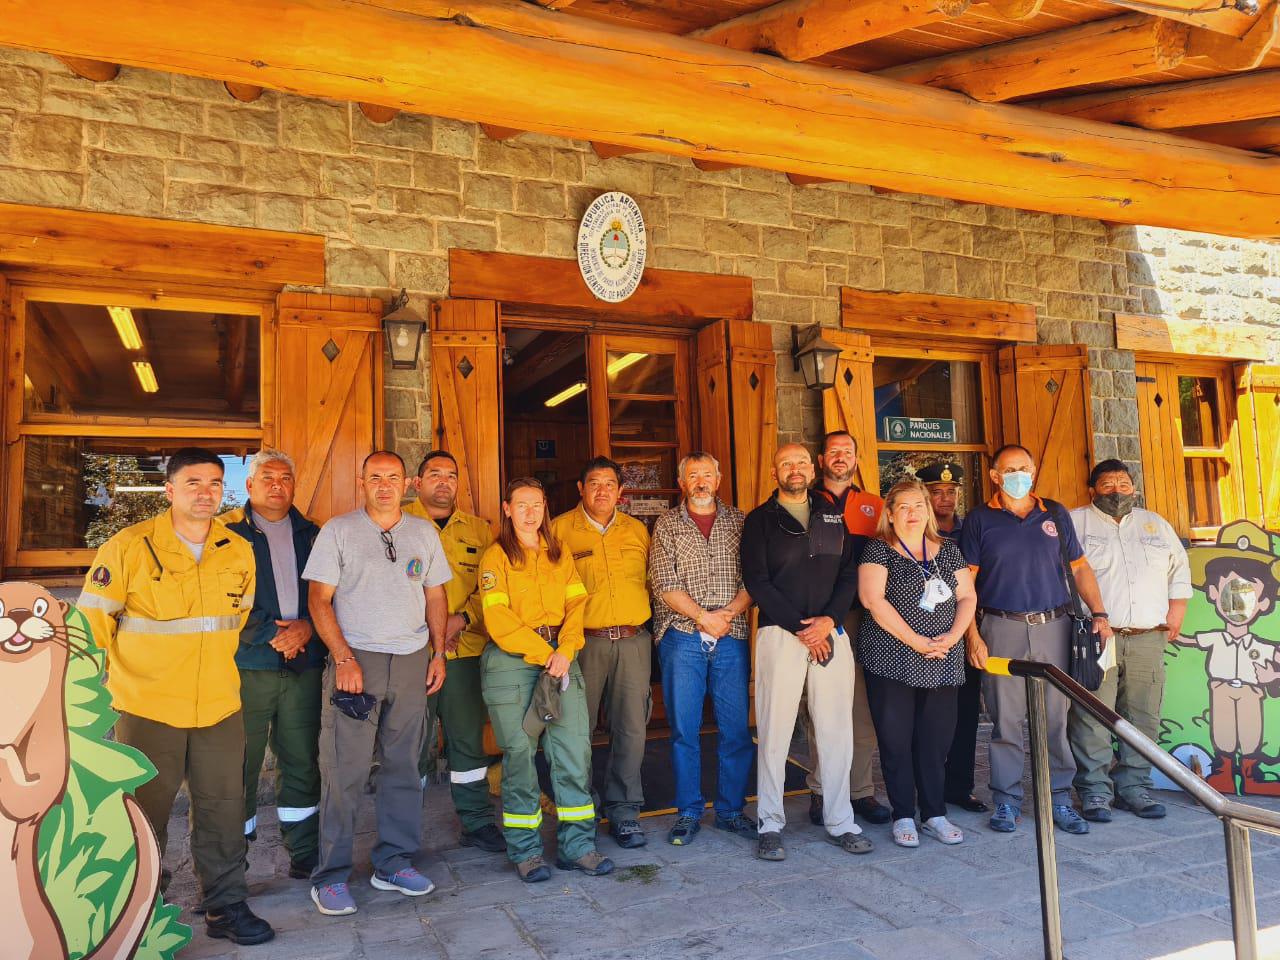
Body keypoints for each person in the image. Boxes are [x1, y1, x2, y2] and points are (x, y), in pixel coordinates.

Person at [78, 447, 273, 945]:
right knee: (143, 813)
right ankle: (137, 911)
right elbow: (90, 630)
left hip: (218, 705)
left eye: (213, 483)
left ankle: (225, 905)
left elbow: (236, 619)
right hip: (146, 707)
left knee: (224, 808)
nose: (205, 493)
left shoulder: (238, 547)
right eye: (193, 483)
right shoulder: (128, 546)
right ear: (169, 490)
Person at [304, 450, 451, 916]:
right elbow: (319, 600)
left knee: (405, 765)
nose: (384, 485)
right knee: (344, 769)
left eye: (392, 477)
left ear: (407, 483)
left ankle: (393, 862)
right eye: (375, 477)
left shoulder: (423, 532)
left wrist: (439, 652)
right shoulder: (339, 531)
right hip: (357, 660)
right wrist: (343, 657)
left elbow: (435, 592)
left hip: (411, 659)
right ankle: (329, 876)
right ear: (361, 481)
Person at [960, 444, 1114, 835]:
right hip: (1001, 627)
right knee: (1005, 720)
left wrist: (1100, 613)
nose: (1017, 475)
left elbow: (1080, 569)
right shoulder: (980, 520)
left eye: (1024, 468)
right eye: (1009, 469)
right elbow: (967, 584)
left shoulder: (1055, 513)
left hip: (1055, 626)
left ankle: (1059, 799)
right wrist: (972, 636)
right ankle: (1007, 801)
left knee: (1055, 718)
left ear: (1033, 471)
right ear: (995, 476)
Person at [479, 477, 614, 882]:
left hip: (561, 656)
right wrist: (547, 655)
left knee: (574, 752)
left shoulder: (560, 553)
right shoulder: (495, 558)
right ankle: (526, 852)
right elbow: (498, 619)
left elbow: (577, 603)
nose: (529, 512)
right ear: (507, 509)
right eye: (521, 505)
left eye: (536, 504)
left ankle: (578, 847)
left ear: (545, 507)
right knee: (520, 757)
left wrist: (567, 650)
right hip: (513, 663)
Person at [741, 443, 870, 862]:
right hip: (782, 633)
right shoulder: (760, 520)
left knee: (835, 730)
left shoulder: (831, 513)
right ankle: (770, 823)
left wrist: (829, 621)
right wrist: (803, 627)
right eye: (785, 463)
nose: (794, 469)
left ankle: (840, 820)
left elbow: (849, 572)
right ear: (774, 470)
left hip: (830, 632)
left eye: (800, 462)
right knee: (775, 732)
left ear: (809, 469)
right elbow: (758, 582)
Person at [1067, 459, 1191, 822]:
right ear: (1093, 489)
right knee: (1091, 714)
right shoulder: (1074, 523)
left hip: (1147, 636)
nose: (1117, 490)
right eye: (1107, 484)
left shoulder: (1156, 525)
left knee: (1143, 714)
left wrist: (1177, 610)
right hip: (1095, 637)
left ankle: (1134, 787)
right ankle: (1094, 792)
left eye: (1123, 483)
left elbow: (1178, 570)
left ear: (1134, 488)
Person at [859, 481, 977, 848]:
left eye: (918, 505)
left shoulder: (948, 551)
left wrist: (954, 637)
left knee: (935, 740)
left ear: (928, 511)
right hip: (892, 658)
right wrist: (918, 642)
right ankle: (903, 815)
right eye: (904, 507)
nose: (912, 513)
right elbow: (872, 600)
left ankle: (934, 813)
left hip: (943, 658)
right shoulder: (879, 550)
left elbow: (968, 596)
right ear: (890, 514)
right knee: (896, 740)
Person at [224, 449, 323, 881]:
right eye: (268, 478)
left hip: (303, 667)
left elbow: (332, 596)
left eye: (285, 478)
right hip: (249, 667)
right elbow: (219, 598)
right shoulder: (225, 533)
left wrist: (307, 628)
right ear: (250, 485)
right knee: (239, 764)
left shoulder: (313, 534)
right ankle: (232, 860)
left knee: (301, 760)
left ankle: (303, 851)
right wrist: (271, 634)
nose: (277, 485)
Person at [648, 452, 755, 847]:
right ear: (682, 482)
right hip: (682, 637)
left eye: (707, 474)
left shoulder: (742, 522)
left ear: (719, 477)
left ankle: (729, 811)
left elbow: (755, 577)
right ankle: (689, 812)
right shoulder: (667, 525)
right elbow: (663, 581)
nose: (700, 481)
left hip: (732, 634)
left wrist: (725, 614)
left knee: (735, 730)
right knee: (683, 730)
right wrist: (703, 618)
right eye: (693, 475)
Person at [550, 456, 653, 849]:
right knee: (578, 730)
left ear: (621, 491)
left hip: (632, 640)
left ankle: (625, 812)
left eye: (610, 484)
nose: (602, 491)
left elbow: (650, 581)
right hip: (582, 644)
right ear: (581, 489)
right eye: (594, 483)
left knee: (632, 728)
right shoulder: (559, 530)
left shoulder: (637, 530)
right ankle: (582, 810)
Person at [405, 450, 504, 853]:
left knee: (467, 742)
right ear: (417, 482)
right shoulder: (398, 524)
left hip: (463, 652)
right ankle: (402, 831)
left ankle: (476, 822)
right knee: (409, 743)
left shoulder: (479, 532)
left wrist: (460, 619)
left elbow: (493, 589)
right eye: (434, 474)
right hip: (411, 653)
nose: (443, 481)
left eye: (451, 475)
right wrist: (429, 631)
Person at [806, 431, 892, 826]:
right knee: (819, 708)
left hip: (865, 619)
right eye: (834, 452)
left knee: (861, 708)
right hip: (817, 618)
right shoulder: (802, 502)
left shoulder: (876, 506)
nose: (841, 458)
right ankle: (822, 790)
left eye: (848, 452)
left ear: (857, 458)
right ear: (821, 458)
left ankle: (860, 791)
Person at [1174, 520, 1280, 797]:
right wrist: (1165, 631)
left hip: (1250, 690)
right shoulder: (1215, 637)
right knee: (1222, 733)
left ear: (1264, 602)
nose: (1237, 604)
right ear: (1212, 593)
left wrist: (1273, 677)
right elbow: (1187, 640)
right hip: (1220, 687)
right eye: (1229, 593)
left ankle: (1250, 774)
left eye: (1246, 595)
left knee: (1249, 732)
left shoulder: (1259, 644)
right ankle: (1222, 773)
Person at [918, 460, 987, 815]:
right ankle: (925, 786)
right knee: (927, 716)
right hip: (923, 637)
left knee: (964, 714)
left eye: (950, 492)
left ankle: (959, 786)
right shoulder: (915, 531)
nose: (944, 499)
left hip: (965, 632)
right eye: (936, 492)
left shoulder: (970, 530)